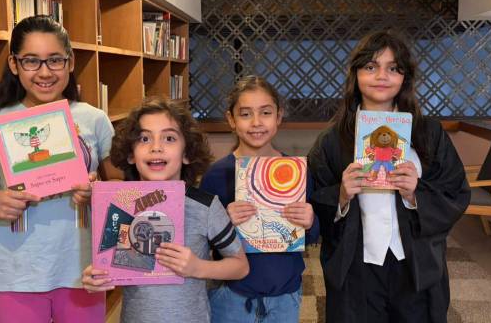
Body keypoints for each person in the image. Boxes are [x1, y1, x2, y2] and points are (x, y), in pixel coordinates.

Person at [0, 15, 121, 322]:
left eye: (55, 60)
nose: (44, 72)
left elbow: (123, 190)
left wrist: (97, 190)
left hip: (82, 269)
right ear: (13, 64)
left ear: (70, 63)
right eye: (31, 61)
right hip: (14, 272)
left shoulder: (94, 119)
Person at [307, 30, 470, 322]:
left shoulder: (428, 134)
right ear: (355, 74)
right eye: (371, 66)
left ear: (404, 77)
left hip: (414, 263)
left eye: (393, 68)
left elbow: (455, 191)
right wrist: (341, 196)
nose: (382, 76)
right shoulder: (331, 141)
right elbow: (313, 199)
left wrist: (414, 194)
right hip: (356, 264)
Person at [82, 97, 250, 323]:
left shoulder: (205, 206)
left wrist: (198, 267)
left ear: (187, 152)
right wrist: (97, 278)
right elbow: (112, 267)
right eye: (144, 138)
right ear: (131, 154)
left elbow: (240, 267)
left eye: (169, 138)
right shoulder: (120, 206)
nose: (156, 147)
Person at [200, 75, 319, 322]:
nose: (256, 122)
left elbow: (312, 236)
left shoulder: (297, 172)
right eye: (245, 114)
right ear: (231, 119)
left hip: (285, 294)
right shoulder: (216, 174)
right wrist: (222, 222)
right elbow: (202, 242)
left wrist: (310, 221)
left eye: (265, 113)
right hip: (232, 295)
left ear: (278, 116)